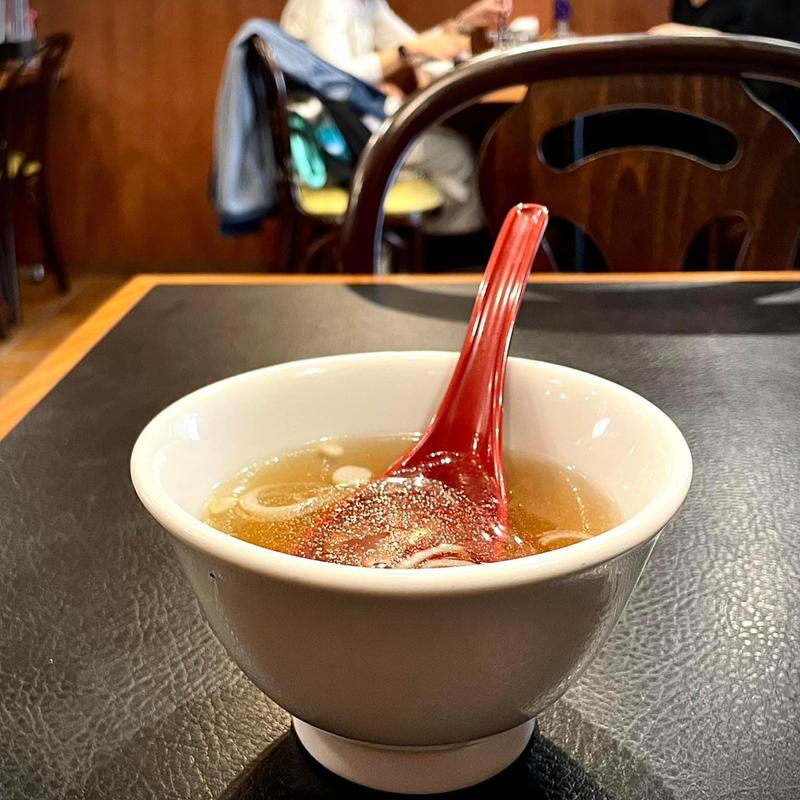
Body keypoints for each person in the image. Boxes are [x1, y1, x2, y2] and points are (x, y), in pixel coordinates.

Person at [281, 0, 514, 235]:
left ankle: (420, 245)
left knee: (456, 146)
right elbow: (335, 80)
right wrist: (406, 52)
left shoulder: (367, 3)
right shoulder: (326, 4)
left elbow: (415, 45)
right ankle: (445, 250)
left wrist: (465, 22)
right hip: (332, 141)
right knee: (457, 156)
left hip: (355, 123)